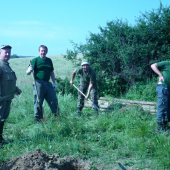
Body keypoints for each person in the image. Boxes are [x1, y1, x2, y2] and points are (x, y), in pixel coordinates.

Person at [26, 45, 59, 123]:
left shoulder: (49, 61)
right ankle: (38, 120)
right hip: (38, 83)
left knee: (53, 99)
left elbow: (51, 72)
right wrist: (30, 70)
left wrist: (54, 83)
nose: (43, 52)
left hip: (48, 83)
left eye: (44, 51)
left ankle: (56, 116)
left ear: (46, 52)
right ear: (39, 51)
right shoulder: (35, 60)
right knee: (38, 101)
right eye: (42, 51)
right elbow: (27, 72)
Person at [0, 45, 22, 148]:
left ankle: (0, 139)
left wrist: (16, 88)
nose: (8, 55)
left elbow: (8, 81)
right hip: (1, 99)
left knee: (2, 119)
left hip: (7, 98)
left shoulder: (6, 65)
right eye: (5, 53)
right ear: (0, 53)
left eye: (9, 53)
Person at [151, 61, 170, 132]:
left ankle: (166, 126)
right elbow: (153, 65)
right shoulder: (167, 63)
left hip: (168, 89)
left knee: (168, 108)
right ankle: (161, 129)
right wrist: (160, 75)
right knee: (162, 107)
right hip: (163, 87)